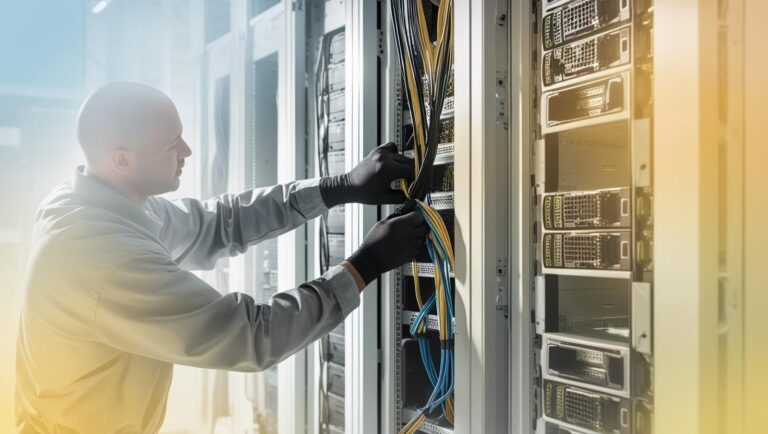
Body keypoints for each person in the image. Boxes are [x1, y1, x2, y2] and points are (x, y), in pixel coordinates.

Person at [15, 82, 428, 433]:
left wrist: (338, 187)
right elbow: (251, 337)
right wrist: (364, 266)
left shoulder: (100, 200)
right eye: (171, 144)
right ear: (121, 159)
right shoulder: (104, 258)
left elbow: (219, 223)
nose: (188, 150)